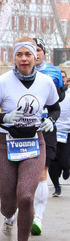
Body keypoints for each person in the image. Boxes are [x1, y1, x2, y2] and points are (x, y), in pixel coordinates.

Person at [0, 37, 59, 241]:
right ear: (14, 58)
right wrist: (4, 117)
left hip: (34, 144)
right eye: (19, 55)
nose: (24, 59)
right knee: (9, 202)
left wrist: (51, 120)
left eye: (28, 54)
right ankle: (7, 219)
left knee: (25, 196)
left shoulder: (46, 82)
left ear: (36, 57)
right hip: (5, 144)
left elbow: (54, 107)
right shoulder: (4, 82)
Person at [31, 37, 65, 235]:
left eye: (38, 50)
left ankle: (38, 218)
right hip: (24, 127)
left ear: (44, 53)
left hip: (47, 126)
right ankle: (26, 209)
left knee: (43, 171)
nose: (35, 54)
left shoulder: (53, 72)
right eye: (30, 51)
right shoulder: (17, 73)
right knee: (28, 175)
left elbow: (58, 99)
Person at [49, 68, 70, 196]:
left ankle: (67, 168)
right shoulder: (51, 93)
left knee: (64, 160)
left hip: (67, 132)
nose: (62, 79)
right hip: (52, 131)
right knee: (52, 161)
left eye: (64, 77)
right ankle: (56, 186)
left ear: (67, 79)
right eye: (59, 77)